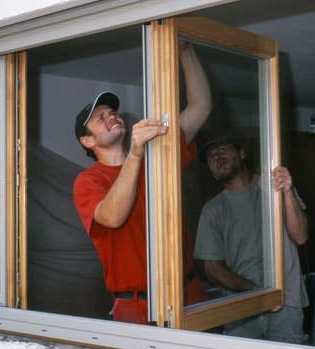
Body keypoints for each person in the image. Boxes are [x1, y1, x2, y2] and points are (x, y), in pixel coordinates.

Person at [72, 43, 211, 324]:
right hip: (138, 307)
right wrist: (136, 152)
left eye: (112, 112)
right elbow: (112, 217)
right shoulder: (88, 181)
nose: (111, 115)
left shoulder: (155, 158)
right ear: (87, 141)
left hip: (190, 293)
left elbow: (200, 108)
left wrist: (184, 50)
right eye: (100, 118)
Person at [194, 135, 309, 344]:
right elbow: (212, 268)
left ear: (242, 153)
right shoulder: (213, 210)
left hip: (286, 302)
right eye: (211, 157)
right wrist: (257, 293)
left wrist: (288, 193)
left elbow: (300, 237)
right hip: (241, 309)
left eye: (222, 149)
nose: (217, 157)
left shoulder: (275, 187)